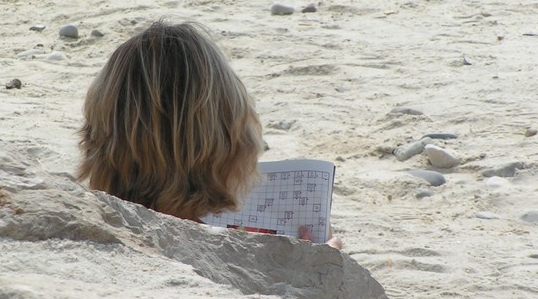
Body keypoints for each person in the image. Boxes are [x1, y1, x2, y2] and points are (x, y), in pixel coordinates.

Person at [77, 19, 342, 249]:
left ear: (96, 140)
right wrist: (316, 274)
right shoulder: (227, 262)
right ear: (233, 144)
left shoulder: (85, 233)